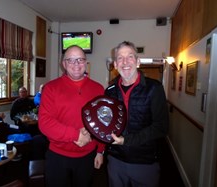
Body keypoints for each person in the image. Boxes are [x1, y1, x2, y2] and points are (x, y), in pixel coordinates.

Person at [38, 45, 105, 187]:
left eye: (80, 59)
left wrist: (100, 151)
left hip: (88, 156)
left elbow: (102, 122)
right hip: (58, 157)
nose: (76, 64)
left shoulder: (98, 89)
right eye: (71, 60)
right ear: (64, 64)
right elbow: (45, 123)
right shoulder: (50, 88)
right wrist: (76, 135)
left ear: (86, 63)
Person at [105, 41, 169, 187]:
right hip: (116, 160)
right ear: (115, 64)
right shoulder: (109, 91)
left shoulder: (154, 88)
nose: (125, 62)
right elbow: (106, 122)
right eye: (120, 58)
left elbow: (161, 127)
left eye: (130, 57)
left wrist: (126, 140)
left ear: (138, 62)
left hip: (144, 163)